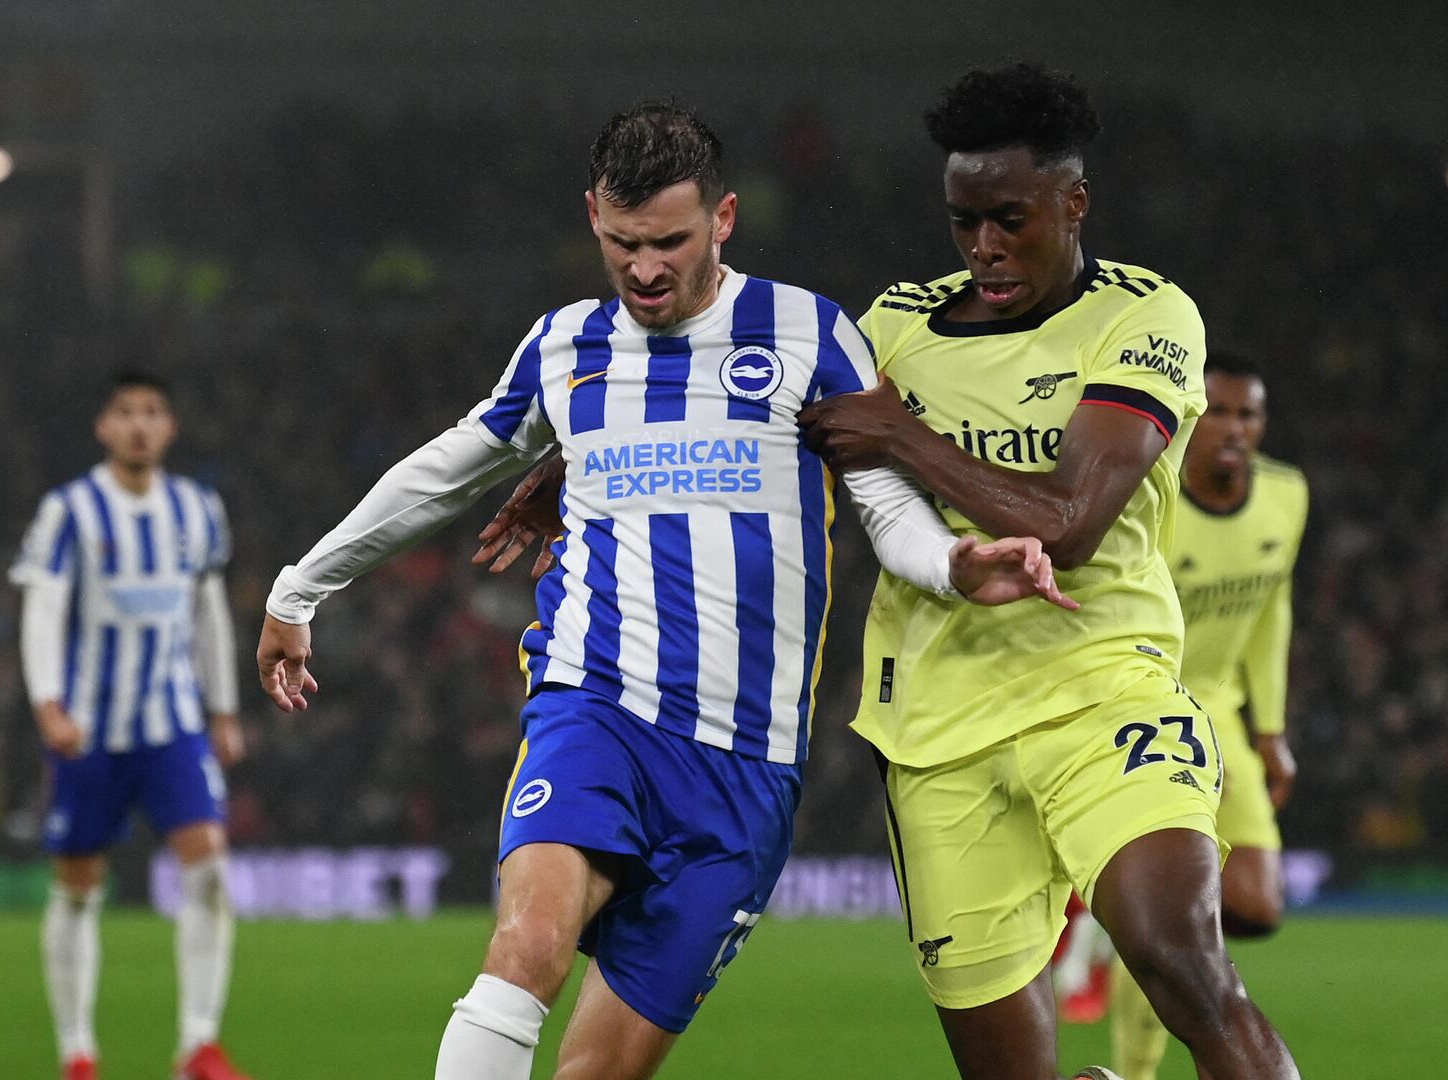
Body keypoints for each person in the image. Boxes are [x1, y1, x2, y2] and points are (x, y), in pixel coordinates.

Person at [254, 103, 1071, 1080]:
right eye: (623, 242)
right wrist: (300, 587)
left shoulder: (807, 333)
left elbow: (885, 504)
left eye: (670, 242)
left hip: (744, 771)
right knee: (525, 949)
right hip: (596, 712)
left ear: (722, 219)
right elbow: (446, 471)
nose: (644, 268)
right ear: (593, 216)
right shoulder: (564, 347)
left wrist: (954, 562)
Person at [796, 64, 1299, 1079]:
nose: (983, 247)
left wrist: (905, 435)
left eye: (1009, 219)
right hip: (938, 731)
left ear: (1074, 202)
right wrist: (567, 461)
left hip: (1102, 691)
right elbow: (769, 411)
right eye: (962, 223)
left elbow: (1069, 521)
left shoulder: (1145, 319)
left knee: (1184, 963)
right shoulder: (895, 324)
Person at [1066, 353, 1312, 1077]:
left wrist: (1270, 730)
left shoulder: (1287, 496)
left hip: (1222, 713)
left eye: (1250, 414)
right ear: (1188, 419)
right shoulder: (1147, 494)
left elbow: (1273, 609)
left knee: (1258, 904)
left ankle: (1120, 930)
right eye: (1220, 412)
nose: (1235, 428)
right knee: (1183, 928)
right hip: (1144, 701)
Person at [10, 372, 250, 1080]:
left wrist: (223, 708)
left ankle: (198, 1046)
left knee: (208, 866)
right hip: (91, 729)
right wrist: (47, 702)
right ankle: (77, 1052)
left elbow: (207, 611)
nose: (139, 425)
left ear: (169, 427)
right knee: (79, 884)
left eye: (152, 412)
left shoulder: (197, 509)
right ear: (103, 427)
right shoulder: (70, 511)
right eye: (126, 413)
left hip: (173, 724)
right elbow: (44, 608)